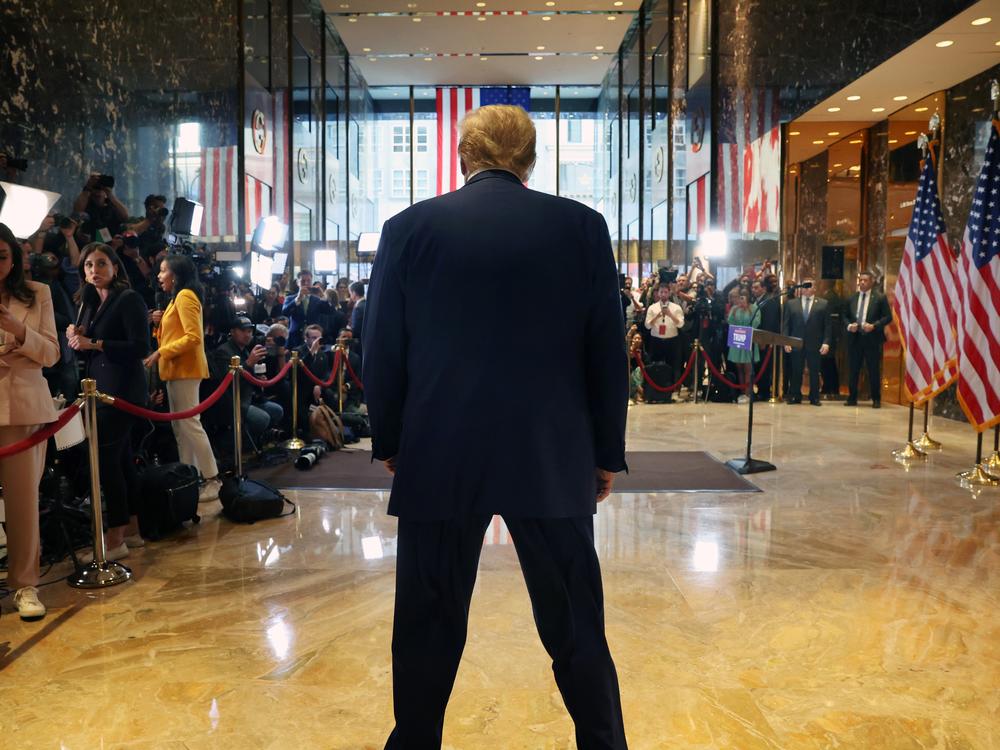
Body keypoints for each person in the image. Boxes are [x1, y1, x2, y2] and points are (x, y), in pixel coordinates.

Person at [364, 104, 629, 750]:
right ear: (530, 159)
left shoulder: (407, 230)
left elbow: (380, 349)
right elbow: (606, 351)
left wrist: (394, 440)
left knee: (427, 626)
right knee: (576, 629)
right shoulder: (583, 229)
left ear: (463, 156)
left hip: (441, 453)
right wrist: (603, 453)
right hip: (550, 455)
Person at [67, 243, 149, 560]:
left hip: (122, 391)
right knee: (122, 459)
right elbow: (83, 349)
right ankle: (132, 528)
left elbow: (140, 346)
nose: (94, 271)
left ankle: (115, 538)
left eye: (101, 264)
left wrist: (95, 342)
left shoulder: (128, 299)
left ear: (115, 267)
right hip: (100, 389)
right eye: (88, 265)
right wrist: (76, 338)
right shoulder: (89, 303)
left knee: (106, 461)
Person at [0, 223, 60, 620]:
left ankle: (25, 586)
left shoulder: (37, 294)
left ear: (14, 258)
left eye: (2, 257)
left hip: (22, 406)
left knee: (23, 503)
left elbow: (51, 353)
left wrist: (19, 331)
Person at [143, 254, 221, 501]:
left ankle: (212, 478)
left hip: (185, 370)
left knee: (189, 424)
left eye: (163, 270)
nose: (159, 275)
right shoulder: (176, 299)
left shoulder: (186, 296)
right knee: (181, 426)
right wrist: (159, 323)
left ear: (175, 274)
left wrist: (160, 352)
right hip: (177, 371)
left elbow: (193, 337)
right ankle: (190, 476)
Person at [208, 316, 284, 452]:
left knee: (277, 411)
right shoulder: (223, 351)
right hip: (233, 401)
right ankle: (240, 447)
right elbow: (227, 381)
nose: (247, 334)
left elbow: (247, 375)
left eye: (249, 331)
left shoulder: (245, 350)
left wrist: (259, 378)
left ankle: (257, 441)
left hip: (250, 397)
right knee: (263, 419)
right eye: (243, 331)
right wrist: (249, 363)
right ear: (232, 332)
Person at [844, 270, 891, 408]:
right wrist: (849, 325)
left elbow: (888, 317)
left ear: (871, 282)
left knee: (873, 369)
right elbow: (844, 315)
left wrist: (875, 326)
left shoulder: (880, 298)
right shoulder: (852, 298)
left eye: (865, 280)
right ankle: (852, 397)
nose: (862, 283)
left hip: (872, 339)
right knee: (853, 369)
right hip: (855, 338)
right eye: (861, 280)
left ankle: (876, 398)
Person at [782, 280, 831, 406]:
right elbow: (786, 325)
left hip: (815, 343)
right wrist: (786, 341)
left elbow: (827, 326)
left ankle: (814, 397)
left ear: (815, 288)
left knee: (814, 371)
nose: (806, 288)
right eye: (804, 286)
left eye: (809, 286)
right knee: (796, 370)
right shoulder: (791, 304)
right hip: (796, 342)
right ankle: (795, 395)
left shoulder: (823, 304)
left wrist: (826, 342)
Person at [643, 282, 684, 402]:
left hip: (672, 340)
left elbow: (681, 324)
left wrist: (670, 314)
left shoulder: (676, 308)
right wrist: (658, 315)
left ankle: (674, 391)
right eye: (661, 292)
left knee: (674, 365)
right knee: (656, 365)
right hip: (656, 340)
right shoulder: (652, 307)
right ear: (658, 293)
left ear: (669, 293)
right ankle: (656, 391)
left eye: (666, 292)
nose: (663, 294)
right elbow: (647, 326)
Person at [726, 289, 761, 404]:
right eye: (739, 297)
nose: (741, 300)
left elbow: (756, 322)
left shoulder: (754, 308)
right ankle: (742, 392)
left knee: (748, 368)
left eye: (743, 297)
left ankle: (748, 393)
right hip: (737, 340)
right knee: (739, 368)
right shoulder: (734, 309)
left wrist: (747, 309)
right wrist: (735, 312)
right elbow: (730, 321)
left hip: (748, 340)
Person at [282, 268, 331, 348]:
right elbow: (285, 312)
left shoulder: (317, 300)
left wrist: (323, 296)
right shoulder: (290, 298)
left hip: (313, 337)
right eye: (303, 281)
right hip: (295, 337)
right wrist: (297, 299)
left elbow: (330, 311)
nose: (306, 283)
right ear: (298, 283)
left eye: (308, 281)